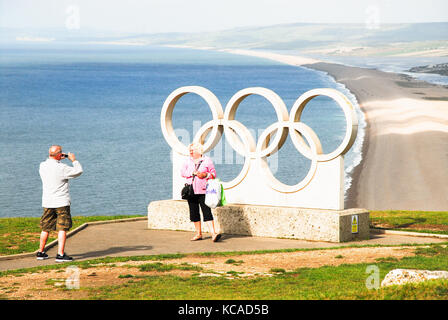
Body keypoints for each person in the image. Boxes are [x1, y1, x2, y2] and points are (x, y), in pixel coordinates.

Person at [36, 145, 83, 262]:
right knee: (62, 228)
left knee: (45, 228)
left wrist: (57, 159)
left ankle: (41, 252)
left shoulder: (42, 166)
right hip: (61, 202)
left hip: (47, 201)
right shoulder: (62, 168)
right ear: (59, 154)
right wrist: (74, 160)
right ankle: (60, 254)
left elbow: (52, 164)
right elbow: (78, 171)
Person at [181, 142, 221, 242]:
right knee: (194, 212)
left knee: (206, 211)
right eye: (190, 150)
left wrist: (205, 175)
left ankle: (213, 233)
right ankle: (198, 233)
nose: (190, 152)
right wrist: (192, 173)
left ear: (199, 151)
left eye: (192, 150)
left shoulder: (207, 161)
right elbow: (182, 172)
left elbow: (213, 174)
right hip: (190, 190)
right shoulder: (187, 161)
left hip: (203, 190)